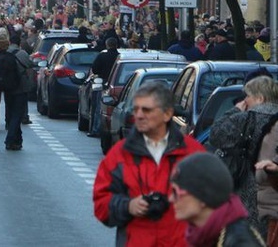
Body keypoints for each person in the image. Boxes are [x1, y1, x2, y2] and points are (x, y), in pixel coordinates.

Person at [93, 82, 205, 246]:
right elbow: (101, 204)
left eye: (146, 110)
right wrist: (128, 206)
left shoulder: (193, 153)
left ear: (167, 114)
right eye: (136, 109)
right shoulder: (119, 154)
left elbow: (214, 204)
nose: (138, 115)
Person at [210, 75, 278, 233]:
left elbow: (216, 134)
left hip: (248, 193)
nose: (245, 100)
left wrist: (235, 110)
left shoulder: (247, 118)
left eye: (248, 96)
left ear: (260, 98)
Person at [170, 152, 264, 246]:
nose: (171, 199)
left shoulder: (240, 242)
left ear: (202, 196)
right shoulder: (207, 236)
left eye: (175, 192)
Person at [88, 37, 120, 137]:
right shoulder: (120, 57)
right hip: (118, 84)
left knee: (99, 107)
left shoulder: (102, 56)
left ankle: (96, 129)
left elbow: (95, 69)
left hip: (103, 83)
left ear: (107, 45)